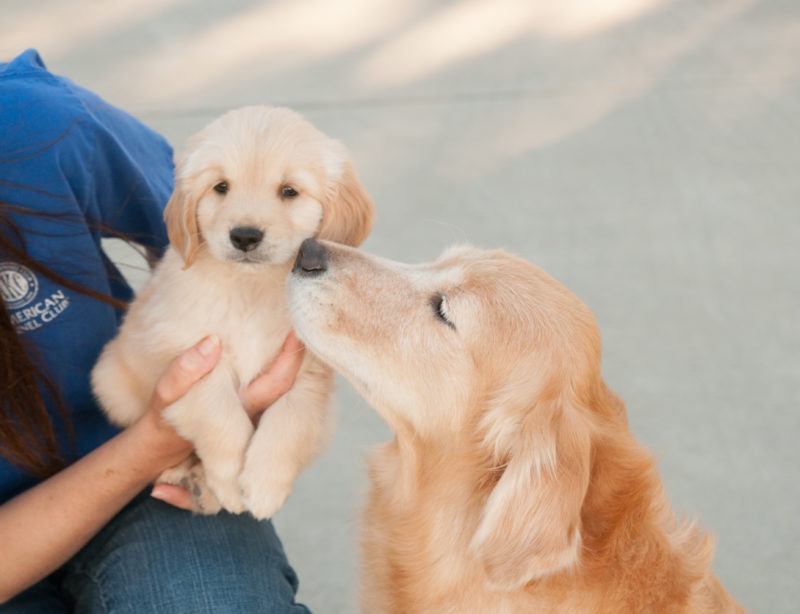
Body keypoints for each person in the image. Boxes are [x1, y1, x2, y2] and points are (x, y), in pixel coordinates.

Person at [0, 49, 311, 613]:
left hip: (148, 472)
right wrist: (157, 441)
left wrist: (245, 363)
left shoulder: (29, 125)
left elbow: (194, 214)